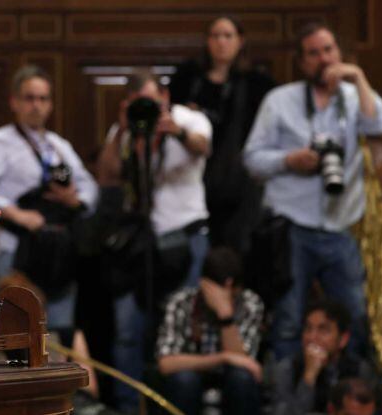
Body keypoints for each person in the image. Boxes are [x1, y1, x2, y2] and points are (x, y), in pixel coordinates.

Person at [243, 22, 382, 359]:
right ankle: (286, 403)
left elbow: (381, 126)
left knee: (354, 316)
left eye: (329, 50)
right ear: (301, 61)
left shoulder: (355, 97)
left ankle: (351, 399)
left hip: (339, 226)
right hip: (291, 228)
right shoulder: (279, 101)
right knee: (288, 319)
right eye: (314, 53)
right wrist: (288, 160)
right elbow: (252, 160)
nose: (324, 59)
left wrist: (358, 77)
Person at [96, 70, 212, 413]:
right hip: (138, 244)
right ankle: (128, 408)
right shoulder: (126, 129)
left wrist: (174, 129)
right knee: (129, 331)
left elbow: (204, 147)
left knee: (179, 330)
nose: (148, 107)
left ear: (163, 95)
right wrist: (121, 129)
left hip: (185, 236)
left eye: (152, 99)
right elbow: (107, 176)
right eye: (138, 102)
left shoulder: (188, 118)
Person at [0, 64, 98, 345]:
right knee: (21, 333)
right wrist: (15, 213)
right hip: (17, 251)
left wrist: (75, 199)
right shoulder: (0, 142)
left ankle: (58, 389)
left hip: (58, 252)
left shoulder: (58, 146)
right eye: (29, 98)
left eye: (43, 99)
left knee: (59, 334)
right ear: (15, 102)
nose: (36, 106)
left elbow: (90, 187)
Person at [169, 15, 275, 255]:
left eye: (228, 36)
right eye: (215, 36)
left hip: (239, 178)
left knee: (237, 245)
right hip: (192, 175)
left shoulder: (257, 82)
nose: (221, 42)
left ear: (241, 41)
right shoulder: (187, 78)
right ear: (207, 41)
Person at [153, 247, 264, 415]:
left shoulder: (249, 303)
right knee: (185, 380)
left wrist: (225, 316)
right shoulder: (181, 302)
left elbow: (246, 365)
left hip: (230, 381)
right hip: (191, 380)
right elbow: (166, 363)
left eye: (232, 295)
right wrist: (223, 358)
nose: (227, 300)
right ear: (204, 284)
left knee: (242, 378)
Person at [272, 301, 379, 415]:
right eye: (308, 329)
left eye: (323, 330)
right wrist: (309, 376)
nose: (312, 337)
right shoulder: (287, 369)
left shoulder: (360, 370)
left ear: (343, 339)